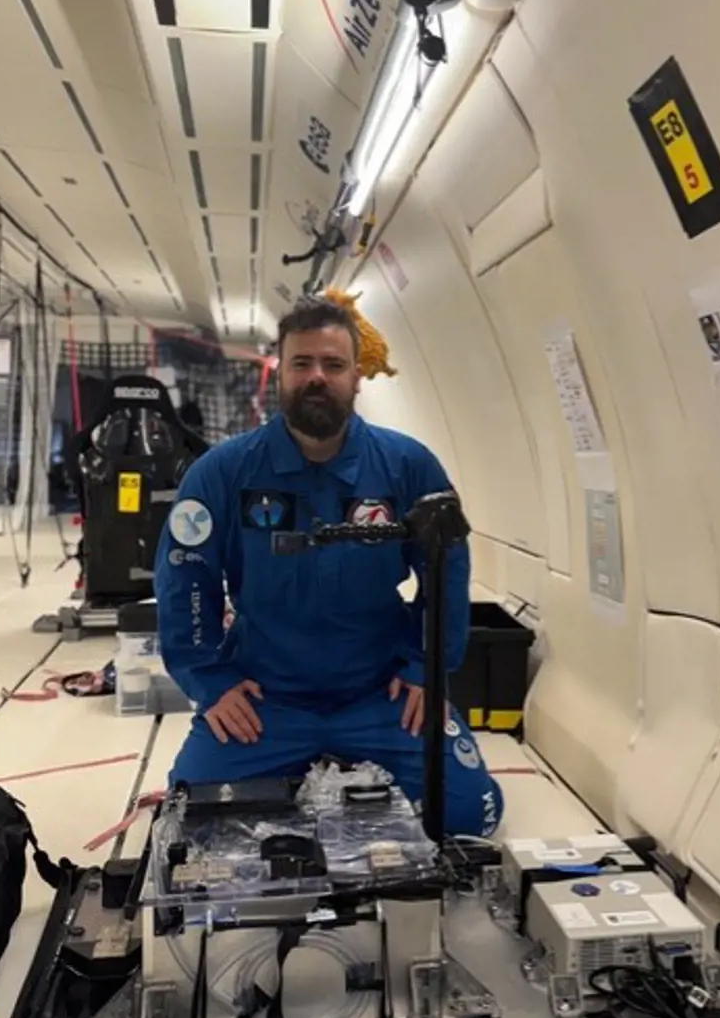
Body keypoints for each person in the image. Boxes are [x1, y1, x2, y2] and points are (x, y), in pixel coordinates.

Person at [153, 295, 503, 838]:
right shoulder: (221, 473)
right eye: (302, 364)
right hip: (266, 699)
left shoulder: (409, 466)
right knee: (193, 822)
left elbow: (447, 572)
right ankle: (311, 766)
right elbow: (185, 579)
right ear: (280, 374)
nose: (317, 377)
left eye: (333, 365)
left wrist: (422, 669)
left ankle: (338, 765)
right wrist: (211, 680)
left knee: (469, 815)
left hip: (378, 694)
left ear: (357, 377)